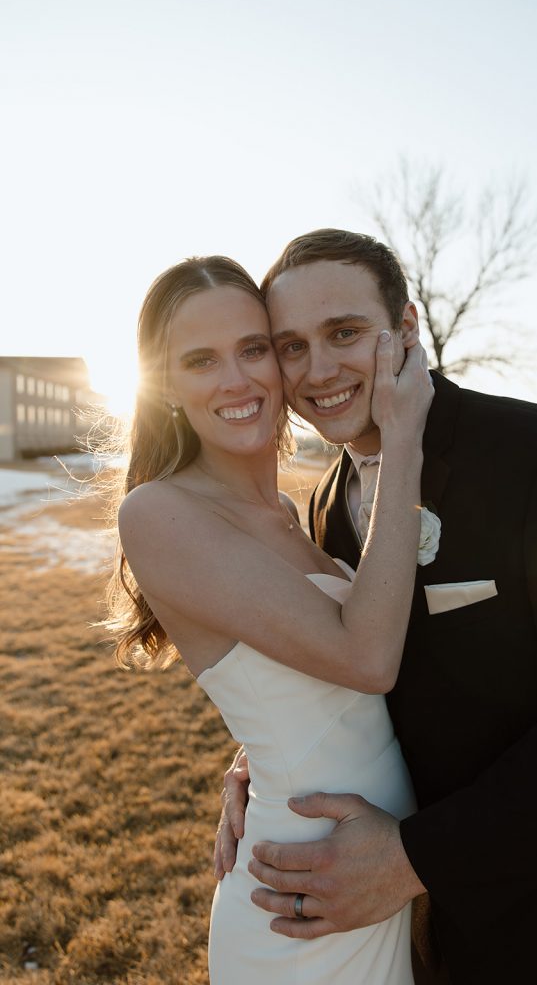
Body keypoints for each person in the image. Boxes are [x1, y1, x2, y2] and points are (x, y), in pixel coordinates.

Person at [217, 229, 537, 985]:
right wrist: (263, 763)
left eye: (344, 333)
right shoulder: (327, 503)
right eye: (292, 346)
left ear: (404, 327)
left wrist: (413, 859)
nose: (317, 370)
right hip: (436, 942)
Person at [107, 254, 435, 985]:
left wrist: (254, 755)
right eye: (200, 360)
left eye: (253, 349)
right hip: (297, 904)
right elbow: (366, 659)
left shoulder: (295, 510)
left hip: (365, 878)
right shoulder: (158, 512)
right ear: (164, 386)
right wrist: (402, 438)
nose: (237, 379)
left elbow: (304, 686)